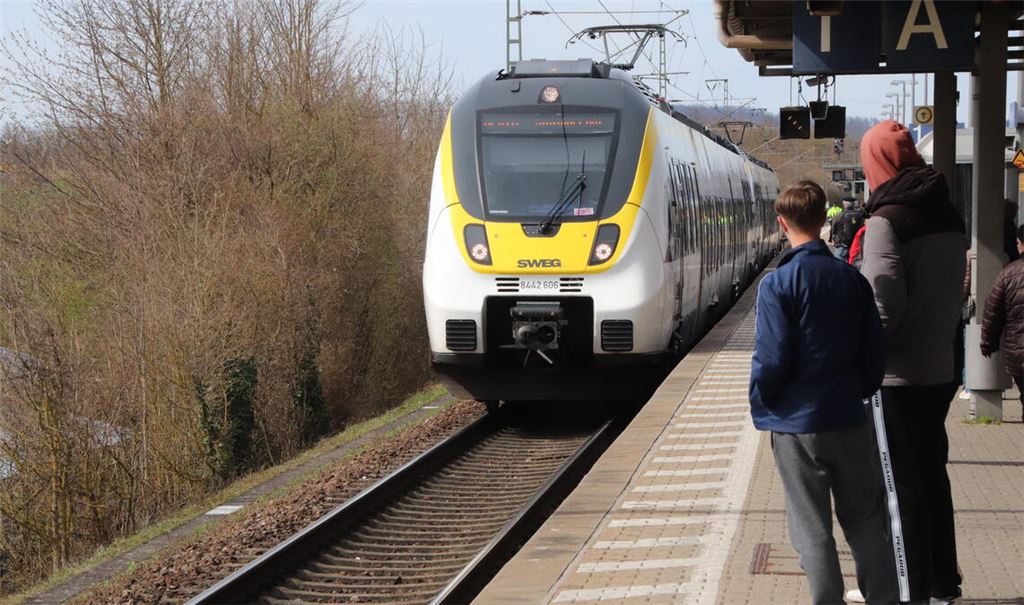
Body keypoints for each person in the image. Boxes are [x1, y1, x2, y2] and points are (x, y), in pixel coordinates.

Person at [749, 180, 897, 604]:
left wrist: (765, 404)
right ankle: (883, 598)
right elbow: (874, 349)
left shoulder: (778, 285)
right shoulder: (851, 279)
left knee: (811, 526)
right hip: (848, 415)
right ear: (823, 221)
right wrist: (859, 392)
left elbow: (772, 357)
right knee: (866, 519)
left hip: (797, 424)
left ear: (782, 222)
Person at [857, 120, 967, 604]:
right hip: (941, 367)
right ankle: (943, 583)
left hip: (895, 375)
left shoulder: (886, 221)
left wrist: (858, 356)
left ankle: (908, 589)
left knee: (898, 489)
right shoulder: (948, 214)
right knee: (931, 477)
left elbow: (882, 305)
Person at [980, 224, 1024, 407]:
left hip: (1019, 354)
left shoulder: (1008, 275)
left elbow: (993, 313)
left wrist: (988, 343)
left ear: (1020, 244)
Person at [832, 198, 866, 262]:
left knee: (839, 267)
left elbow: (833, 229)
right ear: (853, 205)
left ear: (844, 204)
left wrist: (833, 239)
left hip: (842, 245)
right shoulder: (859, 215)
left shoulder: (839, 215)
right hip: (855, 245)